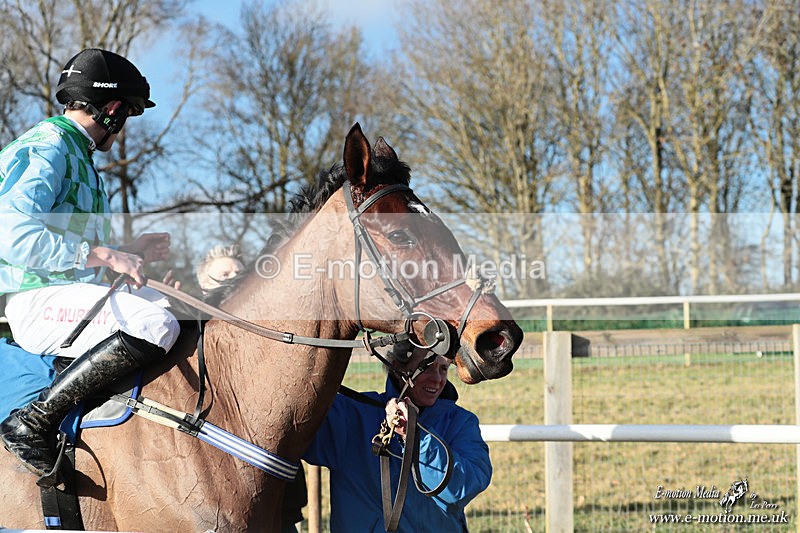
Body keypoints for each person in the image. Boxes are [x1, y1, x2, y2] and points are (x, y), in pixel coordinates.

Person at [0, 48, 180, 482]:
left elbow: (75, 257)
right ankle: (32, 422)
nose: (123, 129)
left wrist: (125, 250)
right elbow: (11, 235)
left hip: (58, 296)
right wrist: (102, 254)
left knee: (172, 311)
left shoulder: (79, 157)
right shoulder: (49, 145)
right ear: (113, 110)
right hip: (32, 303)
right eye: (130, 115)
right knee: (157, 325)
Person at [303, 340, 492, 532]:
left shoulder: (461, 422)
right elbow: (293, 428)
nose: (437, 379)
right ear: (396, 367)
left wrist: (416, 438)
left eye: (443, 369)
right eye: (425, 368)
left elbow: (461, 490)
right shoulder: (352, 415)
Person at [196, 244, 308, 532]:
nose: (234, 279)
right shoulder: (193, 334)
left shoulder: (270, 333)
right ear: (202, 284)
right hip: (212, 485)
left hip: (275, 486)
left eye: (239, 273)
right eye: (224, 274)